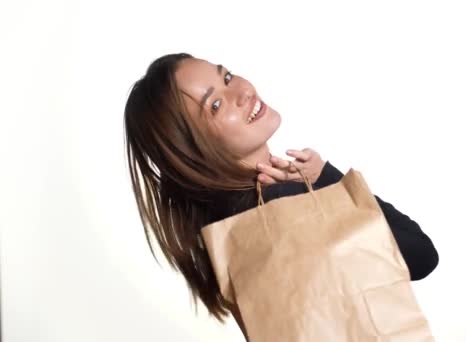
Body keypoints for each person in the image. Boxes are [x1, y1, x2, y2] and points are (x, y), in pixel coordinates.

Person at [123, 53, 439, 338]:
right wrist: (329, 180)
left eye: (227, 77)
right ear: (192, 150)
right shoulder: (281, 206)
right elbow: (420, 254)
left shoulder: (225, 225)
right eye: (216, 105)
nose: (243, 92)